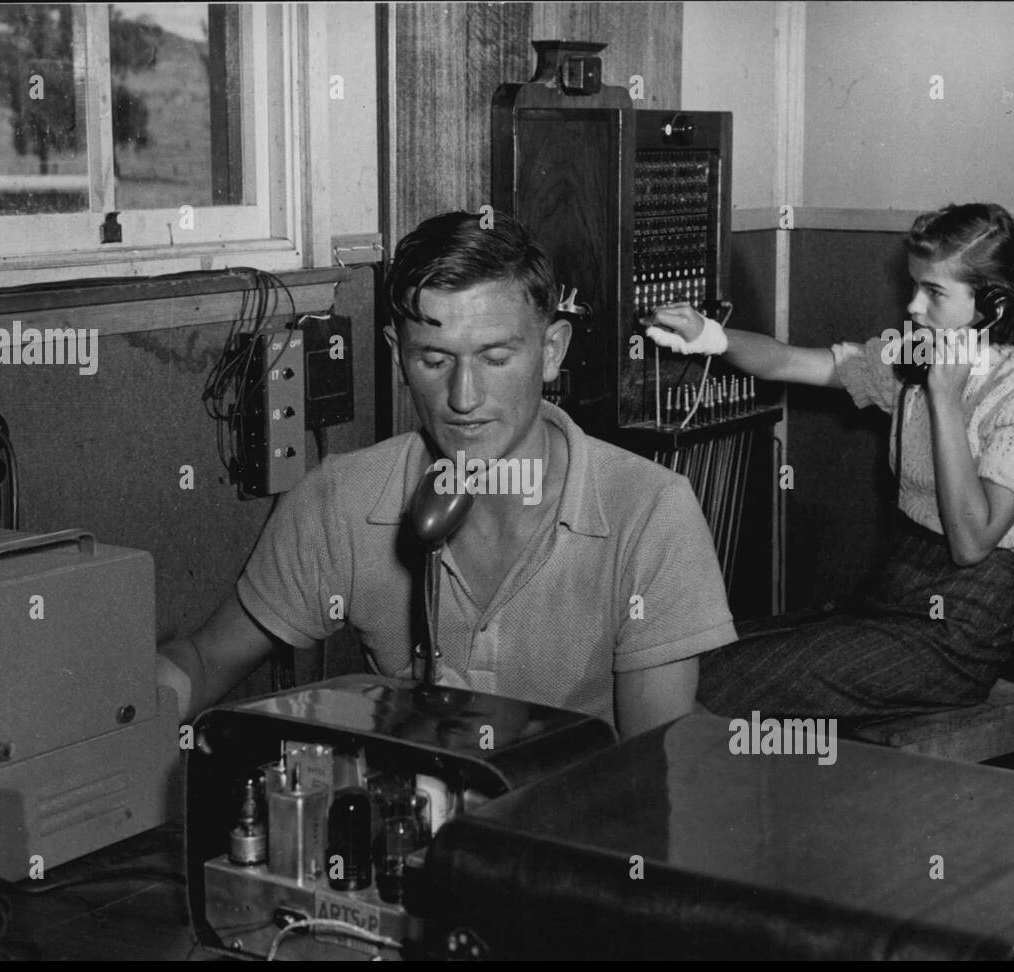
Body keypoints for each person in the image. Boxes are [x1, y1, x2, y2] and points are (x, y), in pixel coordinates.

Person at [158, 210, 737, 738]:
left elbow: (649, 768)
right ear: (398, 356)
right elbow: (206, 662)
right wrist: (106, 725)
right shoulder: (339, 500)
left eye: (496, 358)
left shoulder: (650, 512)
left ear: (552, 351)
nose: (464, 398)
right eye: (434, 360)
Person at [644, 202, 1014, 726]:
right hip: (885, 603)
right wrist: (709, 336)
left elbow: (971, 543)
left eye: (934, 292)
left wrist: (944, 397)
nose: (914, 307)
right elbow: (794, 361)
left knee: (714, 683)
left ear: (995, 305)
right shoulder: (911, 362)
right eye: (914, 286)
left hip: (954, 639)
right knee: (677, 656)